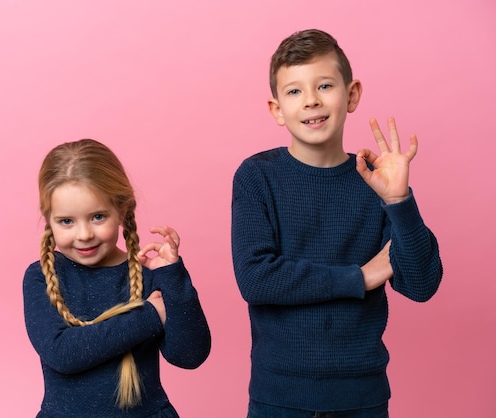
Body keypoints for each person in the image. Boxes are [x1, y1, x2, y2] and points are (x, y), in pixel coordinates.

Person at [231, 29, 443, 417]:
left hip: (362, 398)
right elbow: (256, 278)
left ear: (352, 94)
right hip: (278, 398)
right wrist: (358, 278)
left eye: (324, 85)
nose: (311, 100)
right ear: (277, 109)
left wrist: (398, 199)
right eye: (294, 92)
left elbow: (421, 284)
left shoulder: (374, 181)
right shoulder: (257, 176)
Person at [23, 139, 211, 417]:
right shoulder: (41, 276)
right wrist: (149, 316)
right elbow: (62, 353)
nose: (84, 234)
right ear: (48, 219)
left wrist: (172, 276)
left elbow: (189, 355)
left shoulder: (148, 274)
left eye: (98, 217)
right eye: (66, 221)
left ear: (122, 210)